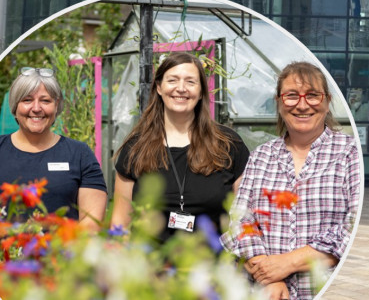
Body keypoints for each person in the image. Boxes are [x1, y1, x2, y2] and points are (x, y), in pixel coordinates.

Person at [222, 61, 362, 300]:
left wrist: (288, 263)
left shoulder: (351, 154)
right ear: (279, 102)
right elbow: (240, 220)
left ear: (327, 101)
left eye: (313, 95)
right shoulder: (261, 157)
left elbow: (353, 227)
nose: (302, 104)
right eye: (291, 96)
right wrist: (267, 274)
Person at [111, 52, 249, 240]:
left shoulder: (228, 144)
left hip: (212, 266)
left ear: (201, 92)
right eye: (173, 80)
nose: (181, 88)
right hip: (149, 265)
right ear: (159, 87)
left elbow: (245, 219)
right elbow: (120, 224)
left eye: (191, 82)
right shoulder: (136, 148)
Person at [0, 67, 107, 229]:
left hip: (62, 252)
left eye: (45, 101)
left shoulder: (79, 154)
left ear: (57, 105)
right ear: (15, 106)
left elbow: (92, 221)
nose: (36, 108)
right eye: (27, 100)